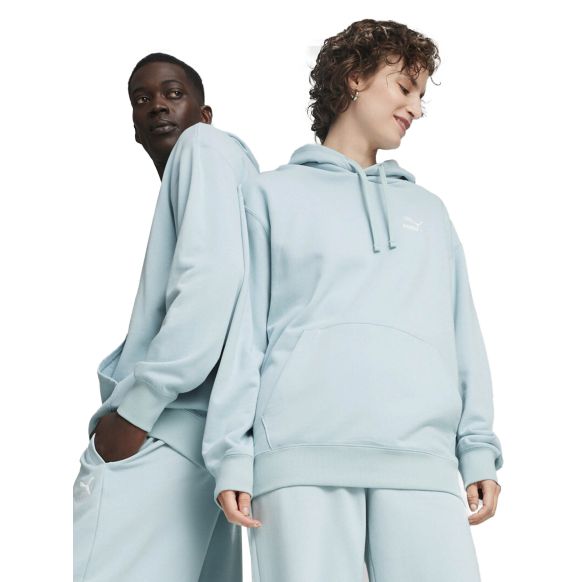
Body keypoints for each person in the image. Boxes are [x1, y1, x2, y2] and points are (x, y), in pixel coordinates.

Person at [201, 19, 504, 581]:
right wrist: (232, 454)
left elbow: (462, 337)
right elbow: (244, 334)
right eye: (404, 87)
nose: (416, 108)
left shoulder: (429, 212)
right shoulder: (269, 195)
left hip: (421, 461)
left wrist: (478, 448)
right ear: (355, 78)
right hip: (298, 460)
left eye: (421, 95)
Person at [72, 52, 259, 582]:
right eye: (142, 99)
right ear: (133, 127)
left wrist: (135, 412)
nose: (157, 105)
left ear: (205, 114)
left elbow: (211, 281)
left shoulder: (202, 146)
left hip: (163, 432)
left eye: (173, 93)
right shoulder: (236, 177)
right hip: (214, 447)